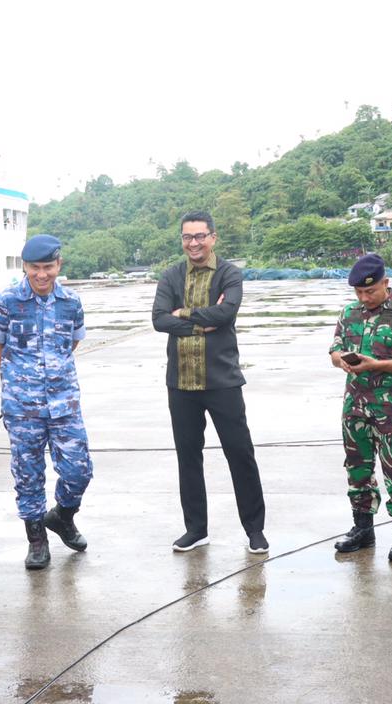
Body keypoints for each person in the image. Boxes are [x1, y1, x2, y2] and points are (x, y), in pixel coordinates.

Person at [152, 211, 268, 555]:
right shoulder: (171, 276)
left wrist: (182, 314)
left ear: (213, 237)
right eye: (187, 237)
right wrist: (203, 321)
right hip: (181, 383)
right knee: (188, 457)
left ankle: (254, 530)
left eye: (200, 236)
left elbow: (226, 313)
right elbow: (159, 320)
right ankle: (196, 529)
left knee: (240, 453)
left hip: (222, 381)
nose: (194, 243)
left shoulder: (229, 273)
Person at [0, 234, 94, 570]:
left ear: (59, 265)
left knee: (79, 470)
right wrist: (22, 378)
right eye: (35, 267)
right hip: (22, 406)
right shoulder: (6, 302)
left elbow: (72, 342)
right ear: (25, 267)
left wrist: (52, 375)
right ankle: (36, 540)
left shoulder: (71, 302)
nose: (42, 274)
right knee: (28, 473)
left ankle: (62, 515)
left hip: (64, 402)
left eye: (48, 267)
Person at [327, 253, 392, 561]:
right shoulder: (349, 313)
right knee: (357, 466)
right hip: (354, 404)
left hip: (389, 406)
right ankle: (362, 528)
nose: (364, 297)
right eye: (358, 292)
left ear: (386, 282)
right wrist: (342, 360)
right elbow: (334, 350)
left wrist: (376, 364)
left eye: (370, 291)